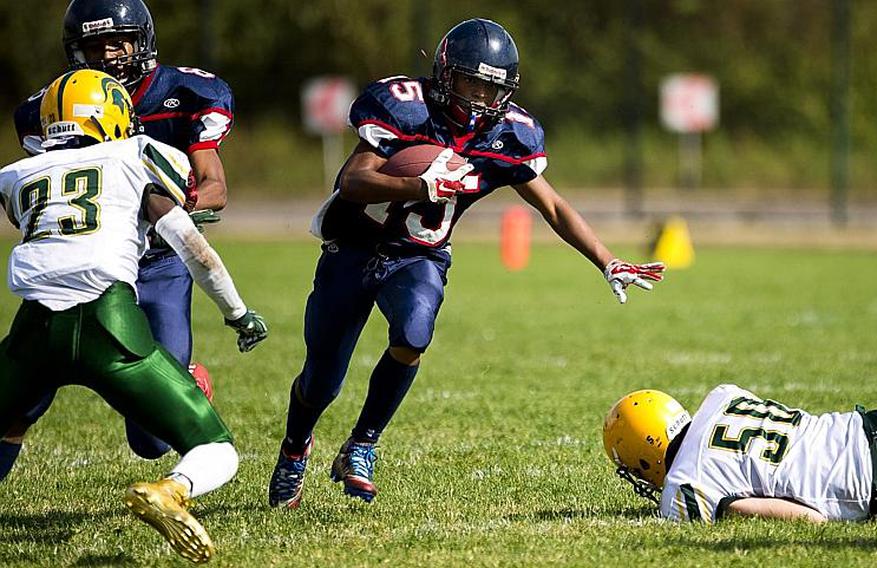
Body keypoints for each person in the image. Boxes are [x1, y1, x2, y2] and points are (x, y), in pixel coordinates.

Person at [267, 18, 666, 508]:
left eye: (491, 88)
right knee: (322, 379)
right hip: (352, 249)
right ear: (444, 73)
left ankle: (362, 444)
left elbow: (554, 206)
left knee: (413, 335)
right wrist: (420, 184)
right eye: (471, 82)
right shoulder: (405, 108)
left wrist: (607, 260)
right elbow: (352, 181)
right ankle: (294, 449)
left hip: (419, 256)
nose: (480, 98)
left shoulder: (508, 135)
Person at [0, 69, 266, 562]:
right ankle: (172, 489)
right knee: (217, 449)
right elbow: (192, 248)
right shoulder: (135, 153)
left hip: (32, 331)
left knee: (9, 422)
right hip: (111, 325)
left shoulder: (16, 174)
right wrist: (237, 313)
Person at [0, 0, 235, 480]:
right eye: (94, 46)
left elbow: (215, 187)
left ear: (142, 41)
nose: (108, 56)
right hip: (87, 266)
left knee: (150, 441)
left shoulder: (186, 92)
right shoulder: (54, 104)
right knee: (19, 409)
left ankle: (185, 381)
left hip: (160, 262)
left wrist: (163, 213)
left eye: (117, 42)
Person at [603, 385, 877, 522]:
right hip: (873, 423)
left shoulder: (683, 489)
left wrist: (731, 510)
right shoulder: (722, 396)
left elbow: (810, 518)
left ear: (644, 457)